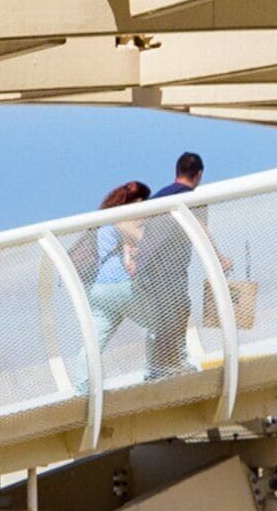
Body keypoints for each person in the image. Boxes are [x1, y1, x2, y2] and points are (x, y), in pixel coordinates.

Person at [126, 153, 206, 379]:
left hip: (148, 267)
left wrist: (135, 257)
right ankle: (173, 364)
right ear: (198, 175)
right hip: (170, 268)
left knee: (161, 317)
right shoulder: (190, 198)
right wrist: (219, 257)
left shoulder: (158, 197)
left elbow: (138, 229)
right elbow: (201, 231)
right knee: (178, 311)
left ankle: (157, 368)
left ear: (176, 171)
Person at [84, 179, 152, 352]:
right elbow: (145, 243)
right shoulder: (121, 220)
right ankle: (159, 368)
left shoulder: (104, 223)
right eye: (142, 204)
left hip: (100, 289)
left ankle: (84, 380)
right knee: (162, 321)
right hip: (121, 285)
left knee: (93, 345)